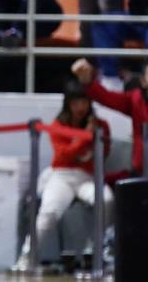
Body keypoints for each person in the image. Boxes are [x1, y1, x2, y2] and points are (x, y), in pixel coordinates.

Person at [13, 80, 113, 271]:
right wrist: (84, 137)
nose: (80, 107)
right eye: (75, 103)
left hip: (88, 177)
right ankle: (27, 257)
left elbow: (104, 152)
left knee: (106, 200)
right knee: (48, 213)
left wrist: (90, 140)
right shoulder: (58, 124)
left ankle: (97, 251)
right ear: (68, 104)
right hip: (62, 176)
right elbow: (63, 155)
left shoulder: (100, 125)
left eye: (84, 102)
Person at [72, 58, 148, 181]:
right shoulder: (135, 100)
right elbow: (106, 97)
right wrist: (86, 80)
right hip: (140, 174)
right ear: (143, 81)